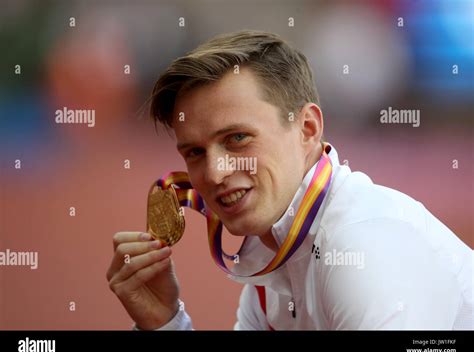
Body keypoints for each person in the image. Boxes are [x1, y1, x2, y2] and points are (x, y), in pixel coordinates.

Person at [106, 30, 472, 330]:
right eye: (195, 153)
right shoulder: (274, 253)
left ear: (308, 129)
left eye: (237, 138)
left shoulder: (362, 250)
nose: (215, 173)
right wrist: (165, 323)